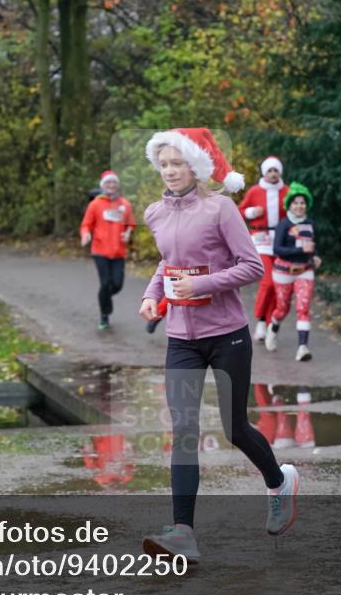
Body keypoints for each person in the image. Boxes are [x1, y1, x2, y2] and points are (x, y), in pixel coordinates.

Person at [138, 128, 301, 563]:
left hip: (227, 334)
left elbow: (252, 266)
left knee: (234, 428)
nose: (171, 171)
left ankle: (278, 480)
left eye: (179, 163)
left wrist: (201, 283)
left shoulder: (220, 209)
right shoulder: (155, 212)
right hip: (181, 339)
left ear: (197, 167)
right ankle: (183, 533)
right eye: (165, 164)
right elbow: (167, 262)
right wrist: (152, 295)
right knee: (184, 431)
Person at [267, 181, 322, 360]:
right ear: (289, 204)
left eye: (302, 203)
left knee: (303, 308)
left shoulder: (311, 223)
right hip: (283, 272)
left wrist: (315, 256)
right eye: (296, 203)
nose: (299, 206)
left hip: (304, 271)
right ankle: (273, 327)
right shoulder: (283, 224)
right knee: (282, 310)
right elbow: (277, 250)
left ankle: (302, 348)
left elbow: (312, 245)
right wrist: (301, 251)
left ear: (307, 204)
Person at [238, 156, 288, 342]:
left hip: (282, 241)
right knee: (267, 281)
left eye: (276, 171)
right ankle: (260, 320)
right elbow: (239, 211)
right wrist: (251, 212)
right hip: (260, 239)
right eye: (270, 171)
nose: (273, 174)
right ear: (264, 173)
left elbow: (297, 211)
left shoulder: (288, 191)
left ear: (280, 173)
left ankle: (267, 322)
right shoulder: (255, 191)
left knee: (278, 284)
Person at [80, 170, 136, 329]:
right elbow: (86, 224)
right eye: (108, 183)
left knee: (117, 285)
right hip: (100, 251)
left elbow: (131, 223)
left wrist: (127, 232)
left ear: (117, 186)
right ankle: (104, 315)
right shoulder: (95, 204)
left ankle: (104, 299)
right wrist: (85, 234)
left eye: (114, 183)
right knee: (105, 284)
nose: (111, 185)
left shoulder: (124, 204)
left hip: (118, 251)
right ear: (103, 186)